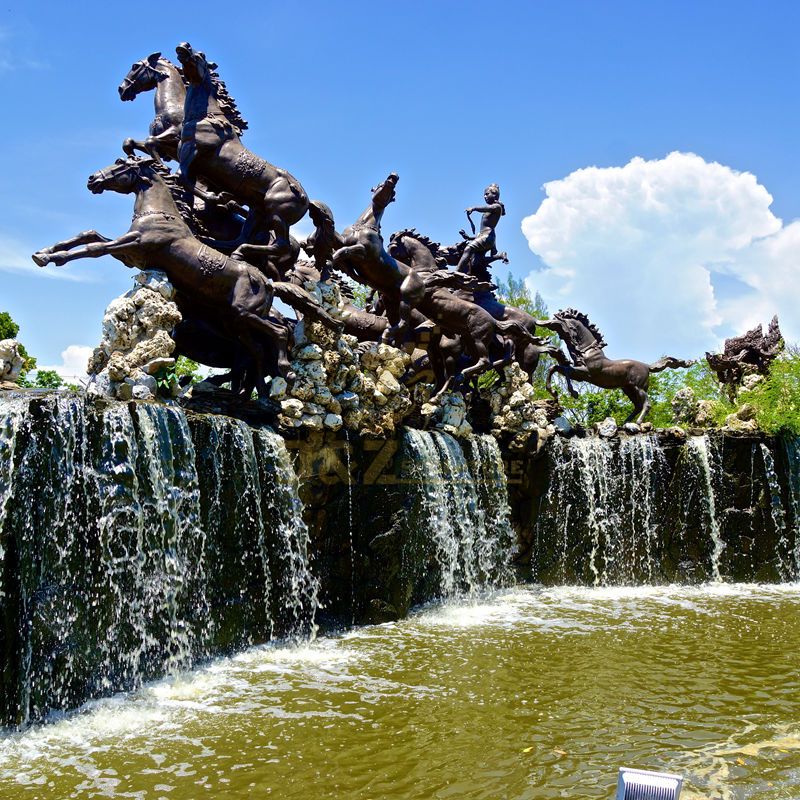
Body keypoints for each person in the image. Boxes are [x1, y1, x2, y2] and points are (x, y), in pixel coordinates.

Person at [456, 183, 506, 275]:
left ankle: (456, 273)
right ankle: (499, 256)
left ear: (494, 195)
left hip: (488, 237)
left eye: (487, 194)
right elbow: (482, 232)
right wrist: (469, 237)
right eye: (484, 194)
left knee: (469, 249)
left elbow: (485, 208)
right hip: (485, 237)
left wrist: (474, 208)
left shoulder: (496, 207)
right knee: (476, 262)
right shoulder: (492, 208)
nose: (484, 196)